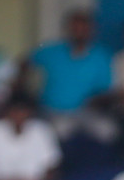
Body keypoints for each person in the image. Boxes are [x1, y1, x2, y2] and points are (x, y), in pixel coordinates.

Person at [23, 8, 117, 141]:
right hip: (53, 111)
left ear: (91, 30)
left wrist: (96, 101)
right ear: (67, 29)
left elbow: (106, 88)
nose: (79, 33)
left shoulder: (101, 56)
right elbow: (24, 64)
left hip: (86, 112)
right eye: (75, 28)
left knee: (107, 130)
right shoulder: (50, 51)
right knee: (60, 130)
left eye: (83, 29)